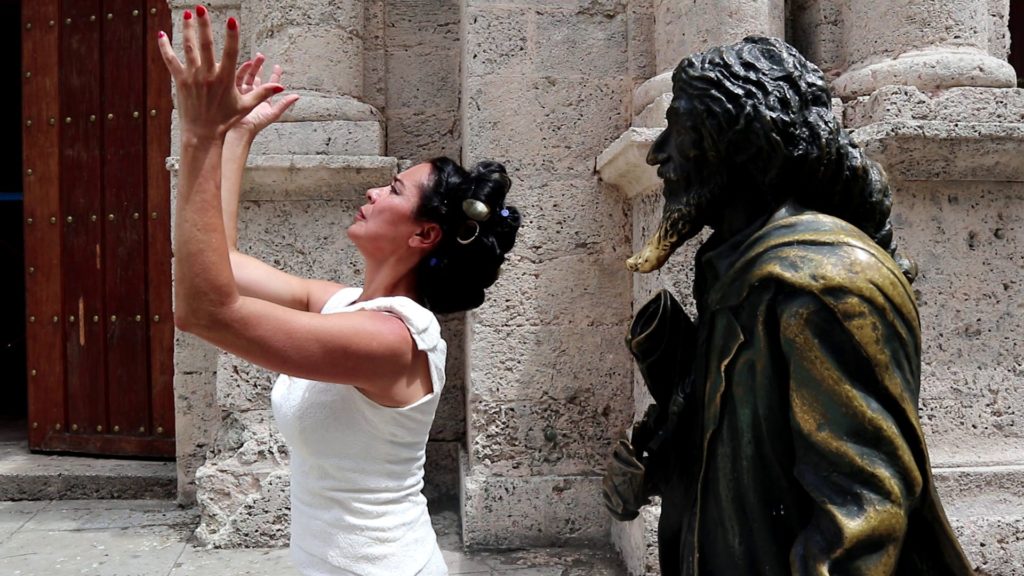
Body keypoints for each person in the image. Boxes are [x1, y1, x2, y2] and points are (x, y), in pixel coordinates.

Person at [157, 7, 520, 575]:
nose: (376, 189)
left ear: (424, 233)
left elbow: (204, 309)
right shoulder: (346, 305)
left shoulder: (391, 341)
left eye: (395, 188)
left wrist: (198, 135)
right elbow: (219, 266)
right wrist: (235, 137)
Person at [601, 37, 973, 575]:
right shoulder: (736, 267)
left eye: (678, 129)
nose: (658, 153)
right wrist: (657, 466)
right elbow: (747, 448)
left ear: (739, 141)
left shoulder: (822, 287)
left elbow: (861, 520)